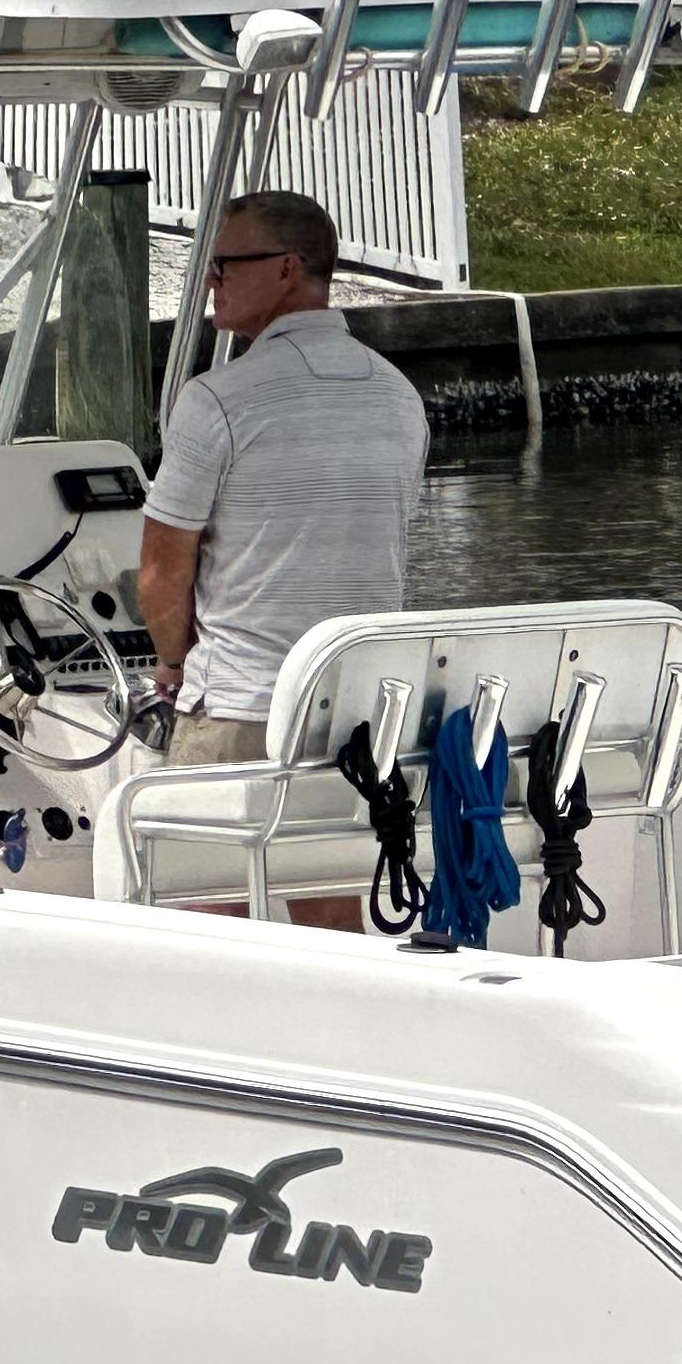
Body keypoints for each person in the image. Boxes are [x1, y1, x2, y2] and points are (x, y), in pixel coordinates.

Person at [138, 188, 429, 929]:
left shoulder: (217, 400)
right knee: (331, 908)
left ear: (288, 270)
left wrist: (172, 665)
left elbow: (162, 572)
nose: (212, 281)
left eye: (226, 265)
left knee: (201, 910)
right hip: (356, 713)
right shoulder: (398, 397)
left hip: (241, 704)